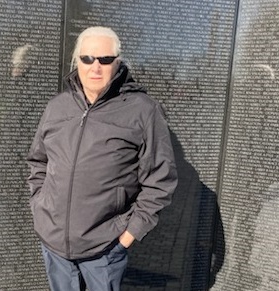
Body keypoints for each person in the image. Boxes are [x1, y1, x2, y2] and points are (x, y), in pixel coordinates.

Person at [26, 26, 177, 291]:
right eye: (87, 58)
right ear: (77, 61)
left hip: (104, 251)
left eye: (105, 59)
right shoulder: (57, 107)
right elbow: (39, 161)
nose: (95, 66)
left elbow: (160, 180)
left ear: (117, 63)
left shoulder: (143, 111)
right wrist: (40, 205)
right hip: (54, 246)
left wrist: (128, 236)